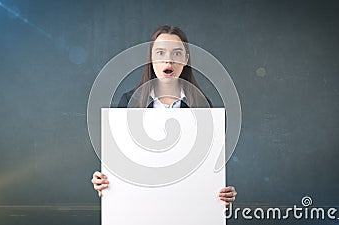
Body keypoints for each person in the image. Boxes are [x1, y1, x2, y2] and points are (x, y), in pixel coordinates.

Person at [91, 25, 237, 205]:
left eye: (176, 53)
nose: (168, 60)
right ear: (151, 58)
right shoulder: (130, 103)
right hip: (141, 209)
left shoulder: (202, 106)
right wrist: (105, 183)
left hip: (187, 209)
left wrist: (222, 192)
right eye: (160, 53)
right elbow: (121, 168)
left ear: (186, 59)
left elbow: (208, 170)